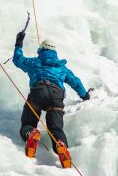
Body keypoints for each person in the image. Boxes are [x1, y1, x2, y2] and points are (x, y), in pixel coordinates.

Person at [11, 34, 90, 168]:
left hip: (38, 92)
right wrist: (84, 95)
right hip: (56, 96)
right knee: (56, 128)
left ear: (40, 50)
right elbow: (75, 82)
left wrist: (19, 43)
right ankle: (61, 144)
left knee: (28, 123)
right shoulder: (61, 67)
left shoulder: (34, 62)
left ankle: (31, 133)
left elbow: (17, 59)